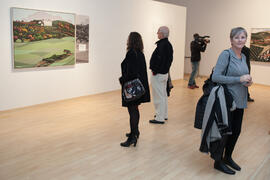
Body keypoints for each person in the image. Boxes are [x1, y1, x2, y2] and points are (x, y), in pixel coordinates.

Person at [211, 27, 252, 175]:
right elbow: (216, 77)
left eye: (243, 37)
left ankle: (228, 157)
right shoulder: (225, 55)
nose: (240, 40)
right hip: (227, 101)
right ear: (231, 40)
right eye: (237, 37)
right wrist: (238, 79)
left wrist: (248, 81)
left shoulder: (244, 56)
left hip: (240, 100)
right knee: (225, 132)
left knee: (236, 131)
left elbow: (244, 75)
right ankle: (218, 161)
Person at [119, 32, 150, 147]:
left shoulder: (131, 53)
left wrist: (122, 79)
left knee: (132, 111)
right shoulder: (140, 53)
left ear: (131, 40)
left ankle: (132, 137)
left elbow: (131, 72)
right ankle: (135, 131)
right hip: (138, 87)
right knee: (135, 109)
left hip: (132, 88)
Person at [149, 26, 173, 124]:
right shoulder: (168, 44)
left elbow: (160, 60)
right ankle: (164, 114)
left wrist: (155, 70)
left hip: (159, 75)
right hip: (164, 74)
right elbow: (168, 60)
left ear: (162, 34)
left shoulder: (162, 45)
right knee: (162, 95)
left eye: (158, 32)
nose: (157, 33)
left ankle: (159, 117)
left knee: (158, 96)